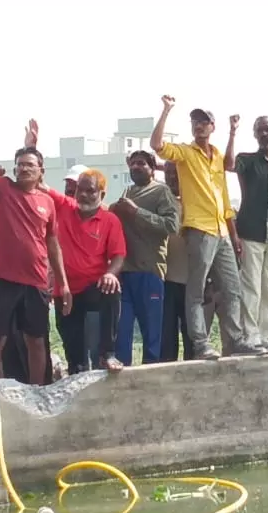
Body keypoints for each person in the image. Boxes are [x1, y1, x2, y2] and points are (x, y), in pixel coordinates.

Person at [0, 111, 69, 385]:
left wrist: (63, 284)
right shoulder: (0, 188)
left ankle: (37, 390)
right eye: (19, 164)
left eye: (29, 164)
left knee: (37, 340)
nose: (23, 169)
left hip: (35, 283)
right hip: (2, 279)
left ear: (40, 170)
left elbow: (53, 244)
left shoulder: (48, 202)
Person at [151, 95, 248, 360]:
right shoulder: (185, 152)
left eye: (204, 122)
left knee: (232, 289)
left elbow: (229, 169)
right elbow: (157, 145)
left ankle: (237, 339)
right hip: (199, 228)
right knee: (195, 290)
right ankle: (201, 344)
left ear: (211, 126)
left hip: (222, 230)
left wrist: (232, 133)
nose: (199, 126)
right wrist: (166, 110)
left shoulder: (216, 155)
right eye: (195, 122)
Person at [46, 168, 126, 372]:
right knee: (75, 356)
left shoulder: (110, 220)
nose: (83, 195)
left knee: (113, 288)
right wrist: (32, 147)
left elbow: (118, 255)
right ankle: (76, 370)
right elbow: (40, 185)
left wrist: (110, 273)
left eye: (90, 191)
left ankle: (107, 355)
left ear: (102, 194)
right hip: (64, 290)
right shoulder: (64, 207)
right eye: (79, 189)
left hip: (93, 287)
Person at [226, 114, 268, 353]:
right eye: (260, 131)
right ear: (255, 135)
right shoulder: (248, 160)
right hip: (250, 232)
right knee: (251, 286)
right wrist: (233, 132)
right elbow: (229, 164)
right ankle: (251, 336)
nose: (265, 134)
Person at [111, 150, 179, 364]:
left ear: (152, 168)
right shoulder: (127, 192)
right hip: (125, 273)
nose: (136, 167)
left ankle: (151, 382)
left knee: (152, 336)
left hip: (149, 272)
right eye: (132, 164)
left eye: (141, 163)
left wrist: (136, 212)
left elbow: (171, 225)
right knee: (122, 334)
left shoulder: (161, 192)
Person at [160, 162, 194, 361]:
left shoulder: (195, 201)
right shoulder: (160, 201)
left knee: (192, 340)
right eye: (168, 173)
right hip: (166, 280)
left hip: (192, 280)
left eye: (177, 173)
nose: (172, 177)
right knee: (166, 341)